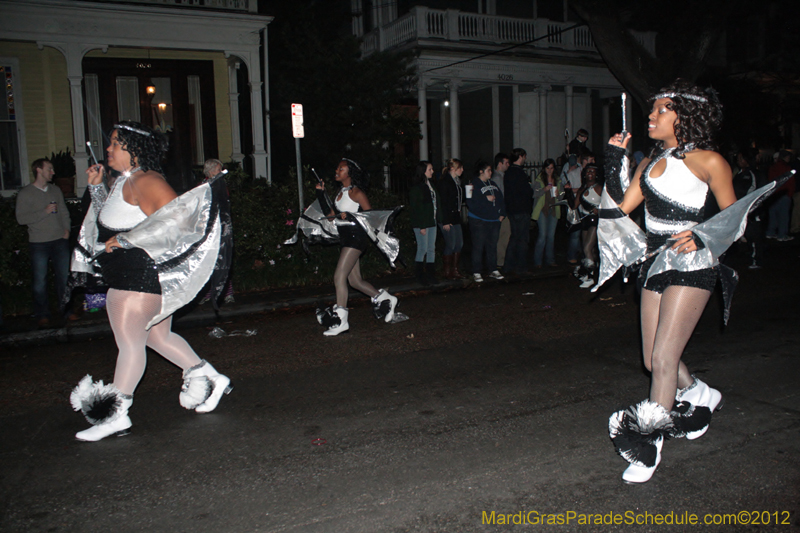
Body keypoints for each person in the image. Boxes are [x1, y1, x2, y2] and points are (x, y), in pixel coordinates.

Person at [601, 81, 736, 483]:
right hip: (655, 262)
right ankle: (697, 393)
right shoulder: (648, 164)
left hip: (694, 263)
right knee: (652, 359)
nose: (651, 116)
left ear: (684, 116)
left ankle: (647, 448)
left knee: (662, 361)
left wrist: (703, 234)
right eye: (652, 109)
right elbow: (616, 214)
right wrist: (614, 162)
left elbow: (736, 219)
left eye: (661, 109)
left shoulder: (709, 161)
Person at [69, 121, 232, 442]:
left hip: (139, 278)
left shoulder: (148, 181)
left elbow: (179, 220)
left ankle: (115, 414)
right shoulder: (125, 181)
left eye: (116, 143)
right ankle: (211, 378)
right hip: (134, 276)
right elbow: (109, 223)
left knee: (130, 344)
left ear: (134, 150)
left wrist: (129, 240)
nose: (109, 149)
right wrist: (97, 187)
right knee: (159, 338)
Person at [314, 158, 398, 336]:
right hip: (345, 239)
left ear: (350, 173)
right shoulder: (339, 193)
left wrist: (352, 217)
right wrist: (321, 194)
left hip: (356, 239)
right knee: (354, 281)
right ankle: (386, 299)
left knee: (339, 277)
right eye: (337, 168)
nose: (337, 171)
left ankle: (341, 320)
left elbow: (371, 218)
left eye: (341, 168)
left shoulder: (357, 193)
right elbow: (330, 217)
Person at [15, 158, 73, 327]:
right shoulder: (25, 193)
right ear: (39, 170)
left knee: (64, 278)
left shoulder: (55, 190)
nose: (53, 172)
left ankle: (67, 311)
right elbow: (21, 219)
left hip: (59, 240)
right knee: (40, 280)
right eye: (50, 169)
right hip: (38, 242)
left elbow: (63, 211)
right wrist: (44, 211)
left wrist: (67, 229)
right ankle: (42, 314)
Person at [200, 158, 235, 304]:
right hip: (209, 229)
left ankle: (227, 293)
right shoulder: (204, 185)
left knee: (223, 259)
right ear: (212, 170)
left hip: (222, 228)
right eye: (219, 169)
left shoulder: (220, 184)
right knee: (209, 261)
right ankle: (208, 293)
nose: (221, 172)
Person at [466, 161, 505, 282]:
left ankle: (492, 269)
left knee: (492, 245)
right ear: (481, 171)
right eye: (488, 170)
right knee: (478, 246)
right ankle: (476, 271)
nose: (491, 172)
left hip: (494, 220)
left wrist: (502, 213)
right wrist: (485, 199)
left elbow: (501, 199)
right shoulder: (473, 185)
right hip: (479, 220)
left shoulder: (492, 183)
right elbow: (470, 203)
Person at [409, 160, 442, 285]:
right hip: (422, 223)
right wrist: (421, 226)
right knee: (422, 248)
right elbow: (416, 208)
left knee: (431, 248)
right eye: (430, 169)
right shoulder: (417, 188)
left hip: (431, 221)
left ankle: (430, 275)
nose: (432, 171)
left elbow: (436, 203)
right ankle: (419, 275)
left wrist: (439, 218)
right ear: (423, 171)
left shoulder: (430, 185)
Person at [732, 148, 766, 269]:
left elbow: (758, 192)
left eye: (741, 158)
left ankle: (757, 259)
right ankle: (746, 254)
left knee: (754, 235)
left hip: (751, 211)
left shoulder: (754, 174)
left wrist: (754, 209)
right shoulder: (739, 173)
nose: (738, 160)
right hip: (739, 209)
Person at [502, 148, 534, 275]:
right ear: (520, 157)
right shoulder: (519, 173)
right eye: (524, 157)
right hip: (521, 209)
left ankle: (508, 266)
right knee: (522, 239)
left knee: (514, 238)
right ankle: (521, 267)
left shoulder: (509, 172)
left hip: (512, 210)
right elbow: (526, 192)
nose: (525, 159)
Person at [563, 150, 595, 265]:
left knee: (588, 237)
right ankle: (572, 256)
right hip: (578, 208)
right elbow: (567, 190)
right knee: (576, 234)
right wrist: (578, 190)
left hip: (590, 211)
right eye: (591, 160)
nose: (594, 162)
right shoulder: (574, 173)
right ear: (585, 161)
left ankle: (587, 257)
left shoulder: (594, 175)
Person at [575, 163, 602, 288]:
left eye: (592, 171)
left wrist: (599, 209)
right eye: (588, 171)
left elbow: (608, 203)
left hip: (595, 221)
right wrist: (570, 191)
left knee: (587, 248)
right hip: (584, 220)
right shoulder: (582, 188)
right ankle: (587, 272)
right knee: (587, 250)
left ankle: (591, 278)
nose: (590, 173)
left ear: (596, 174)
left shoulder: (599, 188)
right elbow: (574, 205)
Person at [438, 158, 466, 279]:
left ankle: (455, 270)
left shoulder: (457, 182)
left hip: (455, 216)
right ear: (453, 169)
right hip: (447, 217)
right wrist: (445, 220)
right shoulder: (445, 182)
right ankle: (447, 271)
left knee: (459, 243)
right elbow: (443, 203)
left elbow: (458, 199)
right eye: (460, 168)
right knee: (451, 243)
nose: (462, 170)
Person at [532, 159, 562, 267]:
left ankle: (550, 260)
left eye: (551, 168)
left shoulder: (557, 180)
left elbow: (562, 194)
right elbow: (534, 193)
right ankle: (537, 261)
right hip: (542, 210)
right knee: (542, 235)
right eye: (547, 168)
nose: (549, 170)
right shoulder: (539, 179)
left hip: (553, 209)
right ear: (544, 168)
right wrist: (544, 189)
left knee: (551, 236)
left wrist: (559, 194)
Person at [765, 150, 795, 241]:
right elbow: (791, 182)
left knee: (773, 215)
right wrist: (790, 194)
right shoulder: (786, 168)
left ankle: (770, 232)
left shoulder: (773, 167)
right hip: (783, 194)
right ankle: (782, 235)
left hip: (774, 194)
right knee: (783, 216)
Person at [492, 153, 511, 270]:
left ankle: (501, 260)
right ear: (500, 164)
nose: (508, 165)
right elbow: (500, 196)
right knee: (502, 235)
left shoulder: (502, 177)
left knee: (505, 235)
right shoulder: (497, 178)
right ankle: (499, 261)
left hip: (503, 211)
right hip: (500, 212)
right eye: (506, 163)